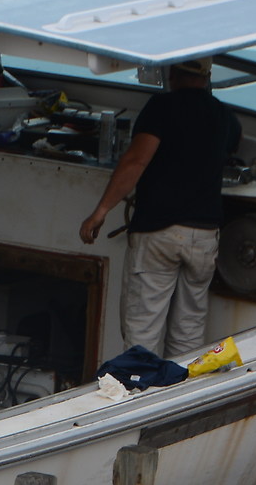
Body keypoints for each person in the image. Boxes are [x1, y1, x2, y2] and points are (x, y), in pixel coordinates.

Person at [80, 60, 241, 362]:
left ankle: (138, 398)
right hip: (204, 239)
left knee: (143, 331)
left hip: (160, 234)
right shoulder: (224, 116)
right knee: (189, 332)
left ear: (173, 73)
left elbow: (136, 161)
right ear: (207, 77)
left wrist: (100, 211)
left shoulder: (162, 107)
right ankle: (179, 398)